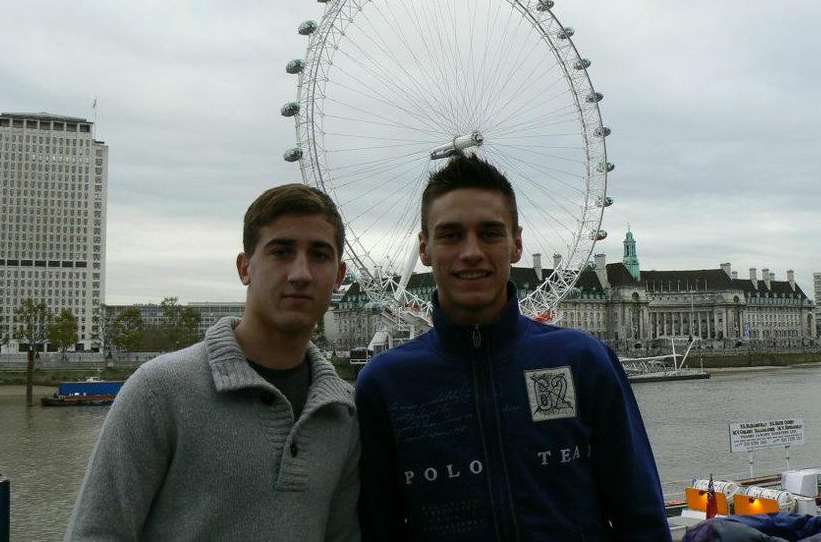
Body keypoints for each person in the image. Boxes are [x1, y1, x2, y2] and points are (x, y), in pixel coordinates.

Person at [355, 154, 670, 541]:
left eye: (490, 233)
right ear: (424, 248)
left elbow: (641, 519)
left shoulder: (584, 362)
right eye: (451, 235)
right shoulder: (385, 384)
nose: (472, 251)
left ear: (517, 244)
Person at [67, 184, 360, 542]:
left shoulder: (344, 414)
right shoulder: (159, 391)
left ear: (339, 276)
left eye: (319, 255)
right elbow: (96, 532)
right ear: (245, 268)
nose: (301, 273)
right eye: (281, 252)